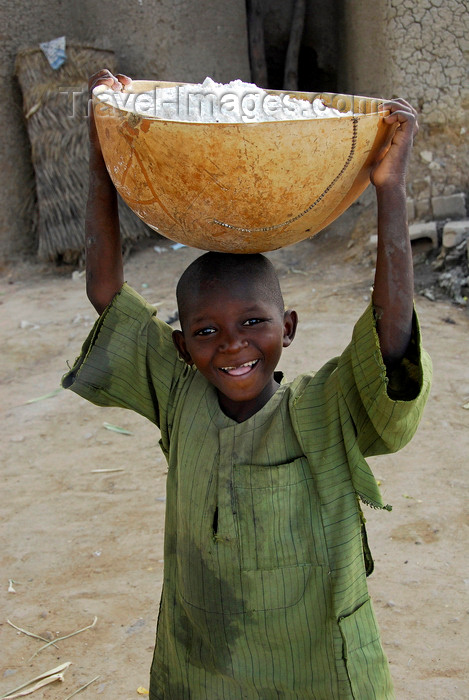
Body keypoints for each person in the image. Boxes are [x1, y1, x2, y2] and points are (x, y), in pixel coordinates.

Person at [62, 69, 432, 699]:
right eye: (205, 331)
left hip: (318, 670)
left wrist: (389, 191)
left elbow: (389, 341)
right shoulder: (178, 399)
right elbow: (107, 294)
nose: (232, 345)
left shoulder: (324, 409)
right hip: (201, 668)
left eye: (253, 323)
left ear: (287, 328)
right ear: (181, 347)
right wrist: (104, 156)